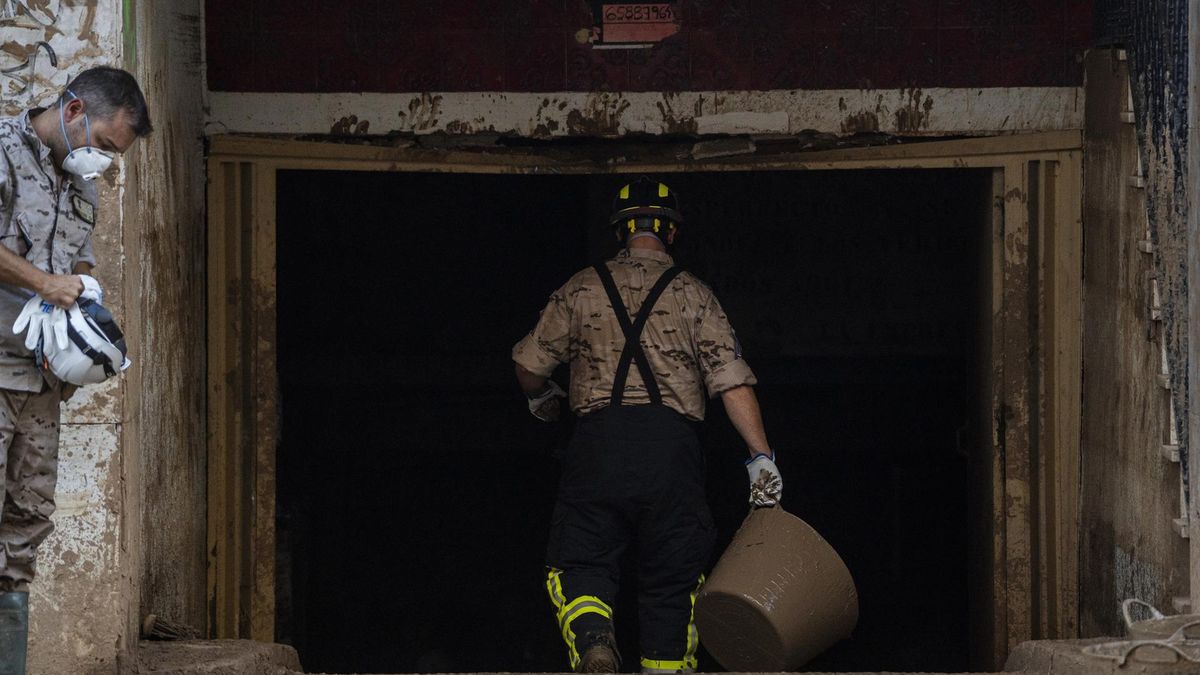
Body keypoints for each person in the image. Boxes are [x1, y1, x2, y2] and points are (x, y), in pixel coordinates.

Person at [513, 177, 783, 674]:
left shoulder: (580, 288)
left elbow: (530, 367)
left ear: (619, 233)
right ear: (672, 235)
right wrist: (760, 458)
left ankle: (595, 636)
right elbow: (731, 382)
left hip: (597, 449)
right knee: (672, 582)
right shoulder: (695, 296)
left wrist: (542, 400)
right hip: (671, 455)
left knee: (582, 561)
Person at [0, 66, 151, 671]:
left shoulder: (80, 185)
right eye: (105, 145)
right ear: (74, 110)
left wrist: (88, 309)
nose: (105, 160)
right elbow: (46, 276)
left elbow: (78, 265)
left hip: (42, 382)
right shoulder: (6, 154)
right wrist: (46, 283)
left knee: (24, 527)